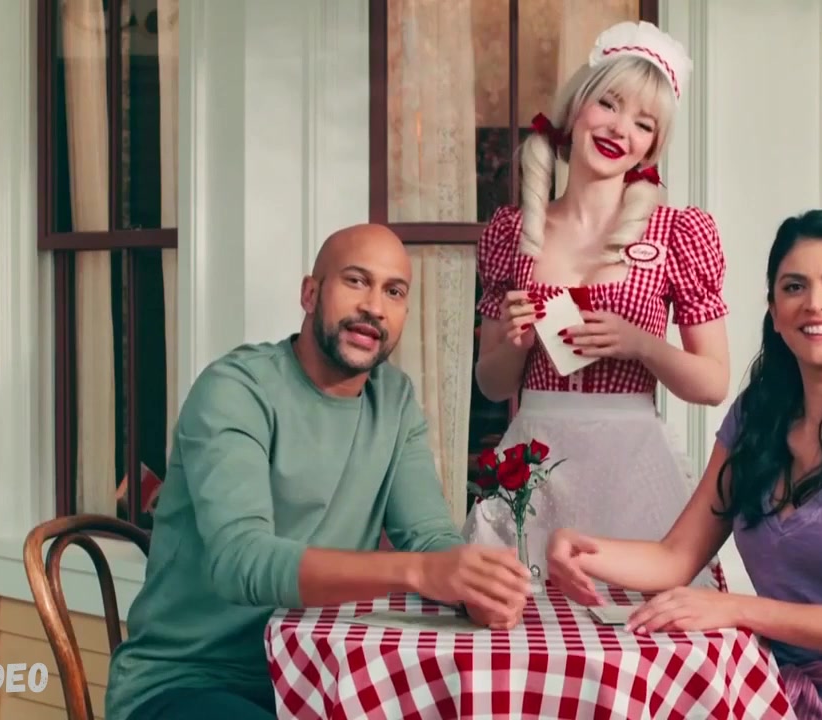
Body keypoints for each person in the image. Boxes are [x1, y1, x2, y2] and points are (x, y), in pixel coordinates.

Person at [544, 210, 822, 720]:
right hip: (771, 692)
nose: (815, 303)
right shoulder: (757, 416)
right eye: (794, 287)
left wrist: (736, 608)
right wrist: (578, 550)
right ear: (774, 311)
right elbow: (674, 557)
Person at [104, 224, 534, 720]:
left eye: (394, 292)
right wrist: (420, 572)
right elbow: (240, 560)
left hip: (323, 677)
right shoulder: (236, 389)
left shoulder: (394, 400)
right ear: (310, 294)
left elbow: (427, 535)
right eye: (356, 281)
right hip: (187, 682)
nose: (375, 306)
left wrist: (472, 585)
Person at [464, 20, 731, 589]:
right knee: (516, 613)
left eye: (644, 123)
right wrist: (515, 342)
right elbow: (492, 383)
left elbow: (713, 383)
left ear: (653, 146)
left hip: (633, 464)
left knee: (641, 620)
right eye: (608, 104)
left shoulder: (678, 233)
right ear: (575, 109)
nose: (620, 129)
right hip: (536, 458)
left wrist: (642, 345)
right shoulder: (511, 230)